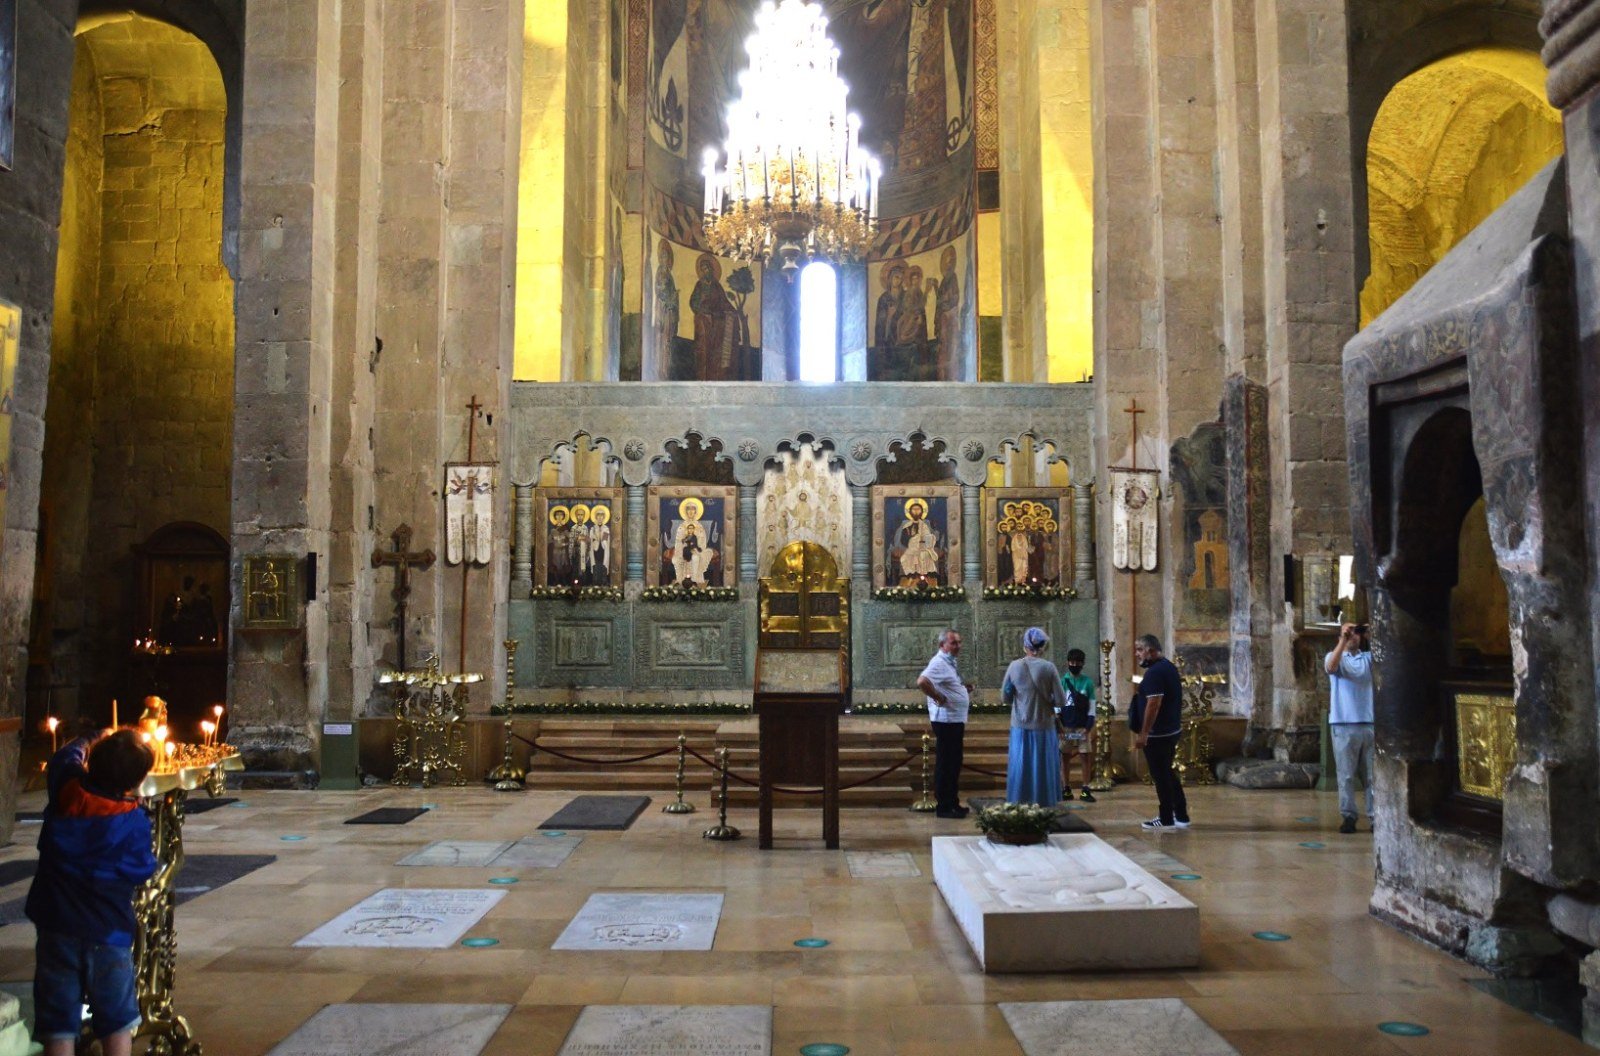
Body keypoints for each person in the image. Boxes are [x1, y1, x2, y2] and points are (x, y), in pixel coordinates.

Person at [26, 729, 159, 1056]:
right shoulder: (132, 822)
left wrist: (90, 738)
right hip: (107, 932)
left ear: (91, 764)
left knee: (58, 1020)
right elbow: (141, 868)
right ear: (135, 782)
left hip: (57, 927)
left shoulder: (66, 790)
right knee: (116, 1020)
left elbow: (62, 759)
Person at [1002, 627, 1067, 807]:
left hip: (1020, 726)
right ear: (1044, 646)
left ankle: (1019, 801)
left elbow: (1005, 697)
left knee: (1020, 765)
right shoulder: (1049, 667)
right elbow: (1061, 700)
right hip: (1043, 725)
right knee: (1042, 767)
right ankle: (1044, 802)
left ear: (1025, 646)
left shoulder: (1014, 666)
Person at [1131, 634, 1189, 831]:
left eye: (1140, 649)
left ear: (1151, 650)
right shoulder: (1168, 666)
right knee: (1167, 773)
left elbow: (1153, 704)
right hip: (1170, 730)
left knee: (1161, 776)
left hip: (1158, 734)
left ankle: (1166, 818)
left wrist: (1144, 733)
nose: (1136, 653)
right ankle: (1181, 814)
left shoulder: (1155, 672)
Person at [917, 628, 973, 818]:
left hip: (954, 719)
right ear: (942, 645)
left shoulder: (949, 663)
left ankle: (953, 802)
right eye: (953, 643)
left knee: (954, 763)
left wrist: (963, 690)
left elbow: (946, 685)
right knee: (947, 764)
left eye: (959, 642)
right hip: (946, 720)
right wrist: (938, 697)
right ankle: (944, 806)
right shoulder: (939, 662)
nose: (958, 646)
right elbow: (922, 681)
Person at [1325, 622, 1375, 834]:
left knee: (1373, 776)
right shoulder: (1333, 656)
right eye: (1349, 632)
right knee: (1346, 776)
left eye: (1357, 633)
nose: (1354, 636)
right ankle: (1348, 816)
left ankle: (1375, 817)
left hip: (1370, 724)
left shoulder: (1368, 659)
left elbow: (1388, 661)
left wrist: (1374, 636)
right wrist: (1343, 640)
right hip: (1344, 724)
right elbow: (1331, 667)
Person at [1058, 648, 1098, 803]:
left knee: (1085, 756)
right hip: (1066, 725)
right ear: (1068, 662)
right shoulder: (1062, 681)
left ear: (1082, 664)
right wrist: (1058, 724)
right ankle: (1066, 788)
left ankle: (1085, 788)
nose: (1074, 665)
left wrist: (1088, 727)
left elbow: (1092, 706)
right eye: (1072, 662)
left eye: (1077, 662)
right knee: (1065, 756)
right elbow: (1057, 704)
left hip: (1082, 726)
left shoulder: (1087, 683)